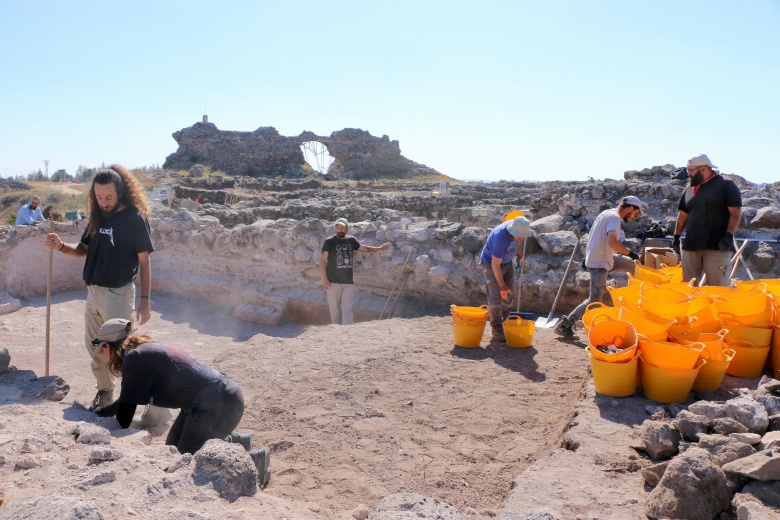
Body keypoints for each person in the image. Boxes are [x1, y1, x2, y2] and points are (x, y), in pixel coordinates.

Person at [90, 319, 270, 487]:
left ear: (109, 346)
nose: (104, 356)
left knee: (185, 462)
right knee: (171, 450)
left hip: (216, 404)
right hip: (210, 401)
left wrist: (105, 436)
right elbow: (127, 398)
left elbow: (124, 415)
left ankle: (256, 461)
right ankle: (240, 441)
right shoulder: (140, 352)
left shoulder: (134, 358)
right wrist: (105, 412)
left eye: (102, 350)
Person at [44, 165, 154, 410]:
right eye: (99, 197)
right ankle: (105, 394)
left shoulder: (135, 219)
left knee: (122, 351)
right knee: (95, 347)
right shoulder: (98, 215)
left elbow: (145, 262)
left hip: (117, 294)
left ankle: (148, 402)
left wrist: (145, 300)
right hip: (93, 292)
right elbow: (83, 249)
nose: (103, 202)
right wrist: (61, 246)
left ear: (121, 192)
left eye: (108, 197)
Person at [554, 196, 644, 338]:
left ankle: (639, 301)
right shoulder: (614, 218)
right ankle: (565, 324)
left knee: (633, 265)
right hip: (599, 264)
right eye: (636, 214)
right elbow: (612, 242)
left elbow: (594, 235)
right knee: (594, 300)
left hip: (603, 258)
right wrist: (631, 253)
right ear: (631, 208)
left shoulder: (607, 213)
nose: (634, 217)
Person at [672, 154, 742, 287]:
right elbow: (683, 215)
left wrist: (729, 235)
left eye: (691, 170)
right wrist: (676, 237)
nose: (688, 174)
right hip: (691, 246)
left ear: (703, 168)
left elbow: (735, 213)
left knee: (718, 289)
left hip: (718, 247)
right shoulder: (689, 188)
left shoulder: (726, 184)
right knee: (689, 288)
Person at [320, 218, 390, 325]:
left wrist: (380, 248)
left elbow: (365, 249)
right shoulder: (329, 241)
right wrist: (324, 279)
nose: (340, 230)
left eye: (342, 227)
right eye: (338, 227)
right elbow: (322, 261)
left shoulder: (351, 240)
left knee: (347, 308)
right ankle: (335, 330)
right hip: (333, 282)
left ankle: (347, 330)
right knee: (334, 309)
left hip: (348, 282)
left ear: (347, 228)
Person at [479, 216, 532, 342]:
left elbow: (518, 241)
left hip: (507, 263)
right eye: (519, 236)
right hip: (491, 265)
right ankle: (497, 329)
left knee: (509, 295)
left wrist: (519, 255)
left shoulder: (518, 228)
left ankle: (506, 323)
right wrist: (502, 286)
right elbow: (495, 265)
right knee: (496, 297)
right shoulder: (500, 238)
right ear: (512, 231)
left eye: (523, 236)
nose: (521, 238)